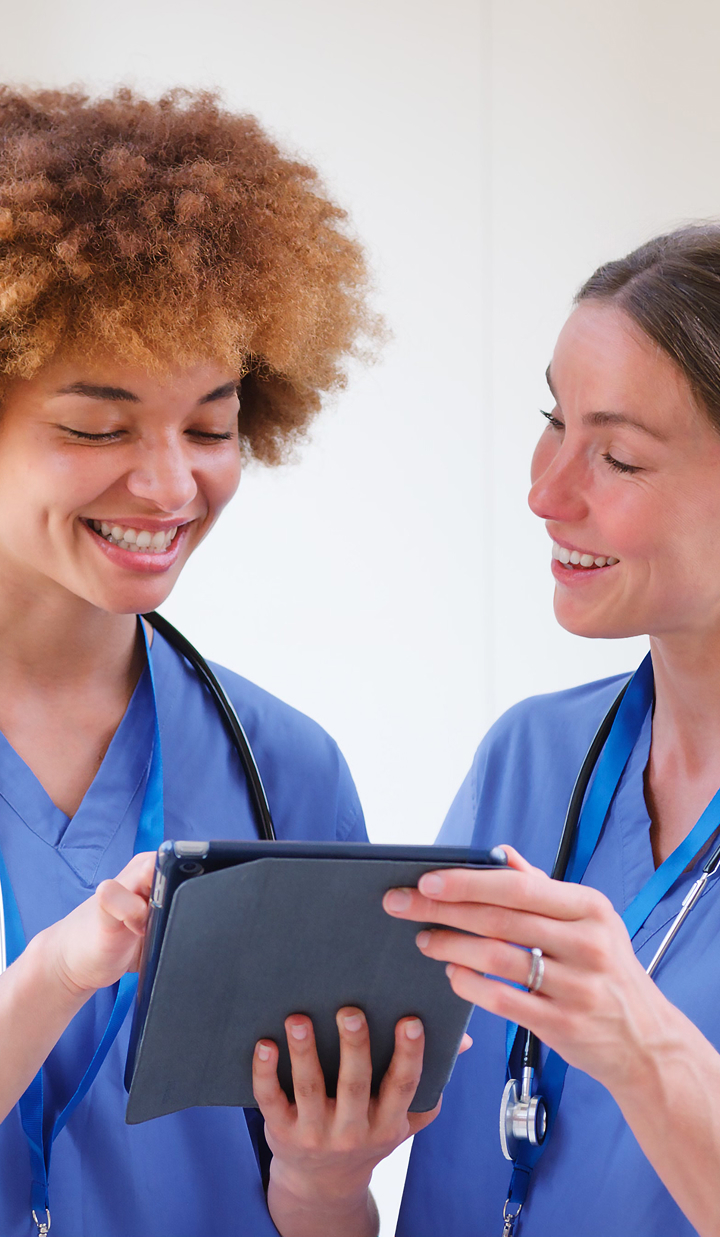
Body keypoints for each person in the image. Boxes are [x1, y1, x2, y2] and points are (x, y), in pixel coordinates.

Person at [0, 86, 436, 1237]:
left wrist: (326, 1179)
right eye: (98, 427)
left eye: (209, 426)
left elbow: (324, 1215)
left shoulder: (283, 769)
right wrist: (51, 975)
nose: (168, 485)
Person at [387, 224, 720, 1237]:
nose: (544, 493)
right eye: (554, 420)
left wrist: (646, 1048)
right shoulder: (529, 761)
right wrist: (323, 1173)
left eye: (616, 456)